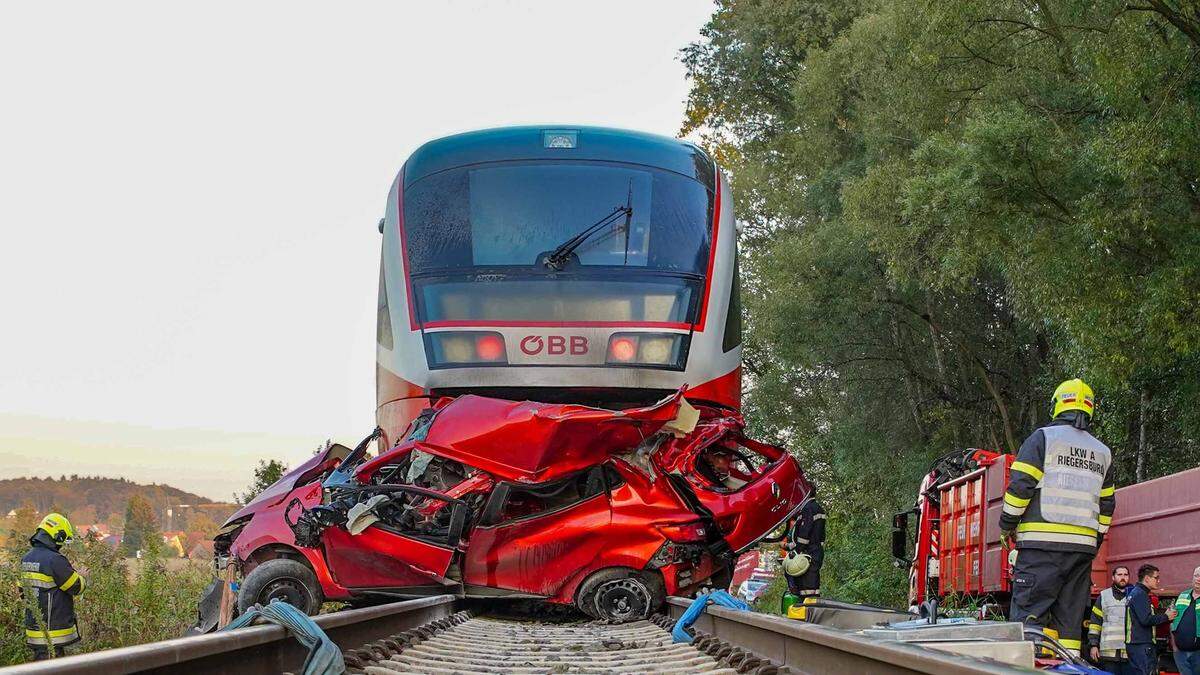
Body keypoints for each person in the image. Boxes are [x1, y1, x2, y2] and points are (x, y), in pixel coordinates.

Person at [999, 378, 1115, 655]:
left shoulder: (1043, 439)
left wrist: (1006, 526)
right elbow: (1107, 505)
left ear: (1057, 405)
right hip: (1081, 553)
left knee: (1031, 620)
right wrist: (1095, 541)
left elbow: (1020, 487)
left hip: (1041, 548)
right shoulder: (1103, 453)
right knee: (1070, 628)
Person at [21, 513, 85, 660]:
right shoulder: (55, 560)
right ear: (57, 536)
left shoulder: (26, 558)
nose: (61, 546)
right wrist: (83, 578)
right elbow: (76, 587)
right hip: (54, 633)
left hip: (34, 631)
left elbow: (22, 591)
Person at [1125, 564, 1177, 675]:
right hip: (1142, 645)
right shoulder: (1140, 594)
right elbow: (1146, 620)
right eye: (1156, 577)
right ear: (1147, 579)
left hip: (1136, 645)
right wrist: (1166, 616)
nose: (1158, 581)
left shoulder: (1135, 593)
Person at [1088, 565, 1132, 673]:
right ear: (1113, 577)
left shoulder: (1135, 595)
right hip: (1108, 653)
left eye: (1126, 575)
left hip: (1129, 652)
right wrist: (1093, 645)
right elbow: (1095, 623)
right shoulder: (1104, 596)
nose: (1123, 577)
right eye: (1119, 574)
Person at [784, 492, 826, 600]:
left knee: (805, 587)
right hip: (816, 551)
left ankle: (805, 611)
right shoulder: (819, 508)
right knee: (813, 587)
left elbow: (804, 534)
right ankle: (813, 610)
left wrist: (797, 551)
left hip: (807, 553)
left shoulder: (807, 509)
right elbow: (821, 535)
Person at [1171, 565, 1200, 675]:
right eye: (1196, 575)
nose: (1199, 579)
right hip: (1180, 654)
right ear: (1192, 578)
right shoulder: (1183, 595)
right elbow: (1172, 621)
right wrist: (1174, 646)